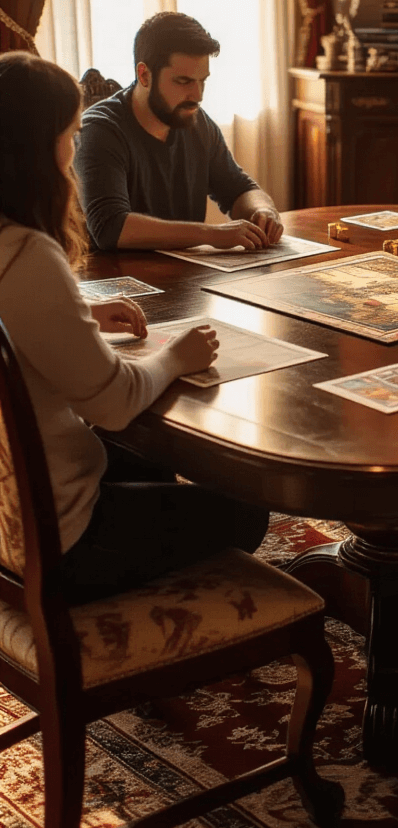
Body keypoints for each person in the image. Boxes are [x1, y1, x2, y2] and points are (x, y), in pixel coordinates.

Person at [0, 51, 269, 603]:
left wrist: (83, 318)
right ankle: (152, 631)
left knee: (150, 459)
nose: (72, 153)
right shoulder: (29, 254)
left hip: (10, 524)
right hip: (66, 542)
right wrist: (178, 357)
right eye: (69, 135)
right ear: (36, 147)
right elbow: (115, 403)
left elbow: (20, 324)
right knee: (247, 509)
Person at [75, 11, 284, 252]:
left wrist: (263, 211)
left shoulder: (196, 121)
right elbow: (111, 227)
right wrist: (211, 234)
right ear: (144, 75)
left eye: (202, 81)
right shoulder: (99, 129)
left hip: (186, 279)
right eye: (183, 82)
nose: (198, 96)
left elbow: (240, 189)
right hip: (117, 283)